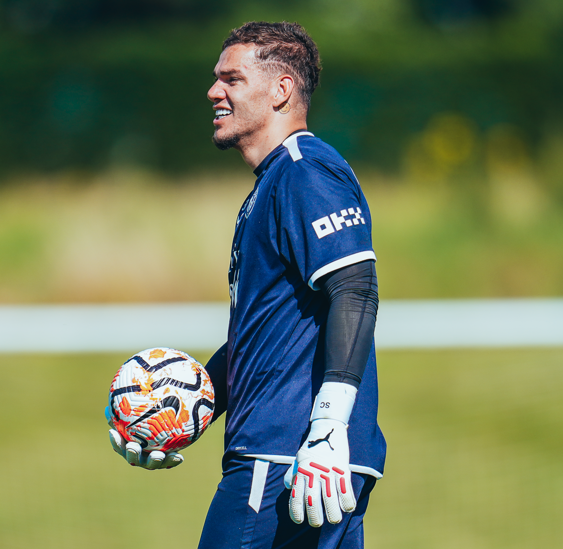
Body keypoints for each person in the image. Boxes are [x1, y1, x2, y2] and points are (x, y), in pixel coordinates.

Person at [107, 21, 386, 548]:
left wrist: (327, 431)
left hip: (288, 461)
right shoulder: (274, 184)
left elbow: (356, 289)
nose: (214, 91)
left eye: (232, 79)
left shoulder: (305, 171)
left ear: (281, 91)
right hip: (299, 461)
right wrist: (180, 408)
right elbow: (263, 340)